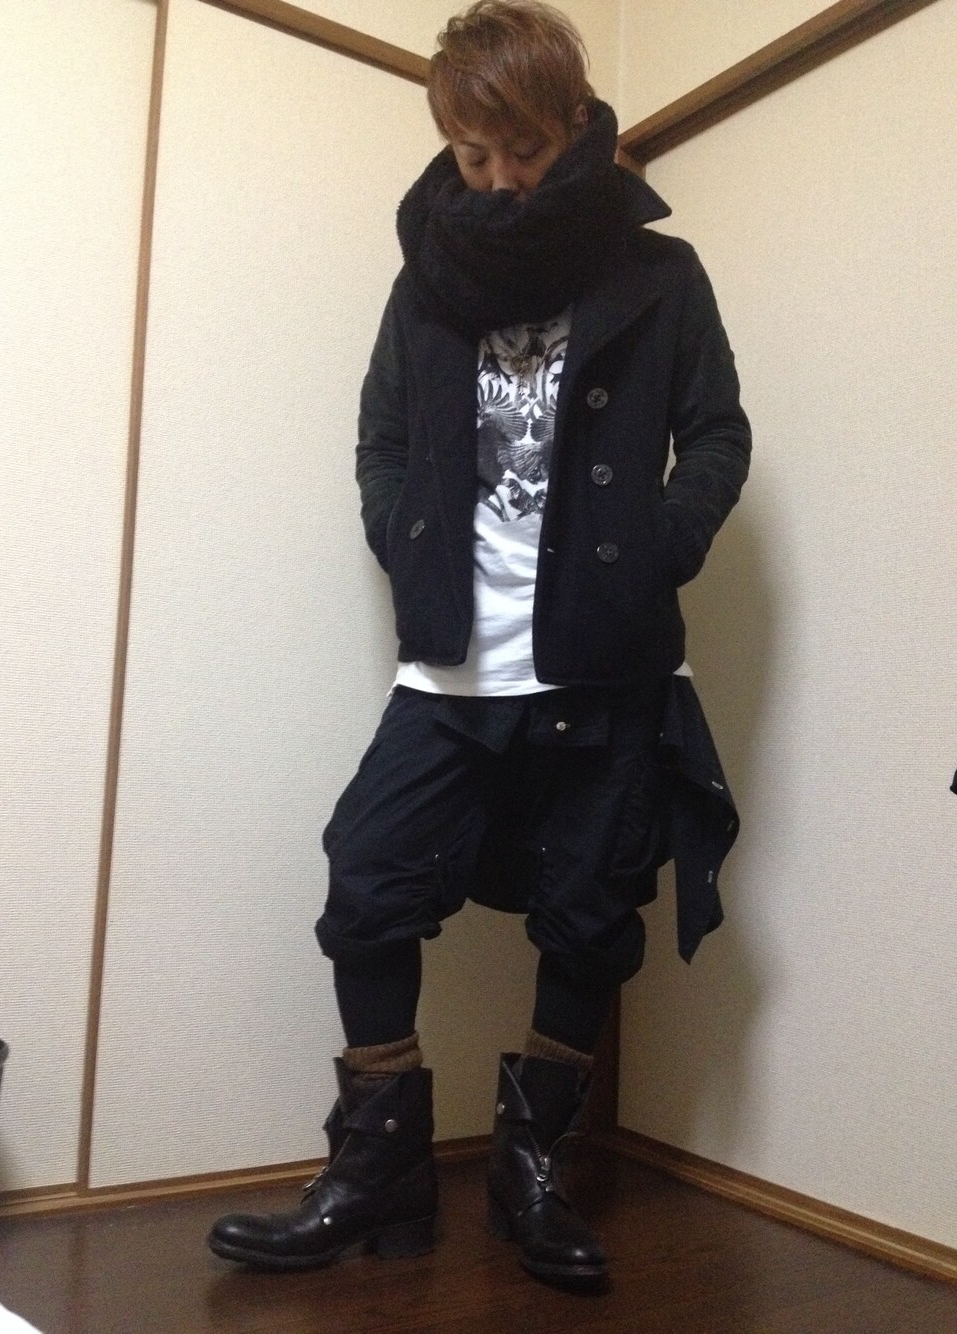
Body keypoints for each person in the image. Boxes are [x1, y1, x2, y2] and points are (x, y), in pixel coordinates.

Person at [209, 0, 750, 1290]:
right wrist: (404, 542)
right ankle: (381, 1166)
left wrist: (661, 548)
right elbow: (383, 443)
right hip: (455, 660)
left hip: (604, 657)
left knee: (588, 915)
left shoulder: (659, 273)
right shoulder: (426, 281)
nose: (499, 181)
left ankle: (531, 1170)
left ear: (575, 128)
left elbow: (718, 434)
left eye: (524, 150)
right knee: (368, 879)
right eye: (471, 155)